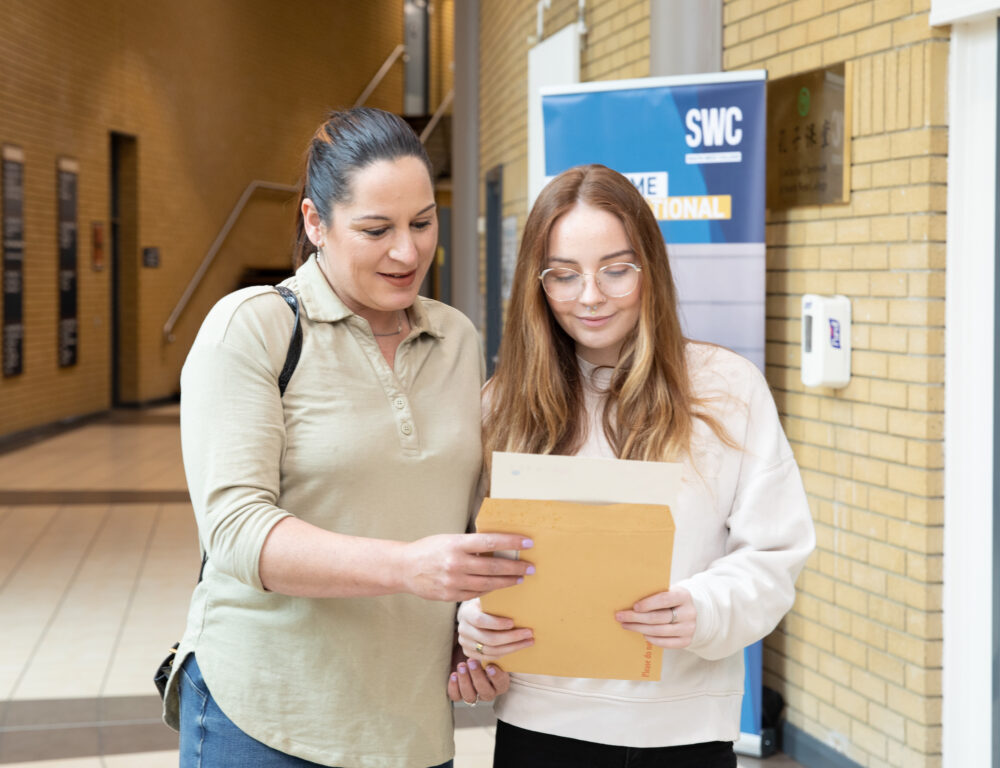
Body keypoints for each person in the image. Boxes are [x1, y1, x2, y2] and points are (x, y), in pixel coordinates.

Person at [161, 107, 532, 768]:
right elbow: (237, 531)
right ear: (315, 223)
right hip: (266, 719)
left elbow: (463, 513)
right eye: (376, 229)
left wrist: (468, 624)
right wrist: (410, 567)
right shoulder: (251, 330)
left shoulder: (456, 338)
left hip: (409, 724)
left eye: (423, 223)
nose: (407, 252)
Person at [455, 164, 815, 768]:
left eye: (616, 270)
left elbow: (774, 555)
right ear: (537, 284)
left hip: (685, 730)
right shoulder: (502, 405)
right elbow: (470, 558)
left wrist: (705, 609)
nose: (590, 296)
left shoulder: (727, 389)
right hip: (540, 724)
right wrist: (473, 624)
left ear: (651, 268)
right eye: (564, 275)